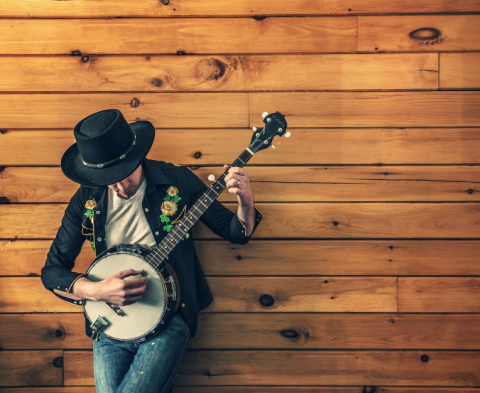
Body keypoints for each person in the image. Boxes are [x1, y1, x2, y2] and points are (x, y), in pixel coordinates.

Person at [40, 108, 263, 393]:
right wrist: (97, 292)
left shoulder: (177, 180)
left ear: (137, 156)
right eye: (109, 178)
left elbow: (234, 232)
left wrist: (246, 202)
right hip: (109, 324)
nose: (120, 186)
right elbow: (52, 271)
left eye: (124, 173)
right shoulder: (86, 198)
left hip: (170, 316)